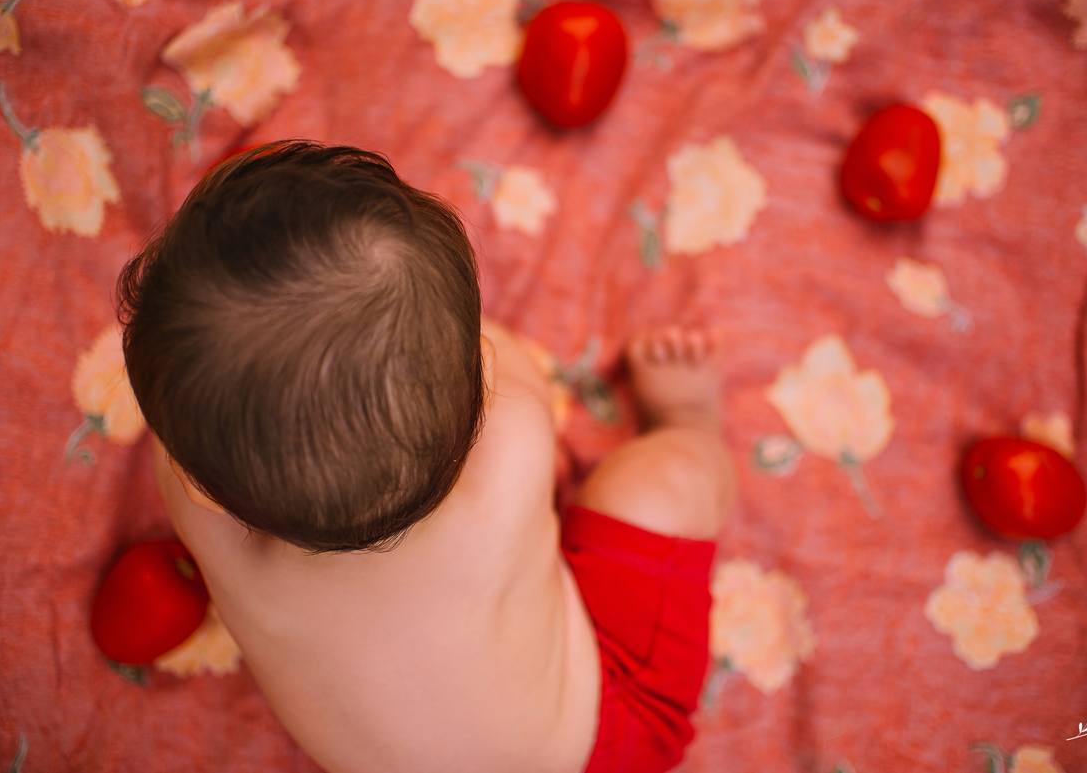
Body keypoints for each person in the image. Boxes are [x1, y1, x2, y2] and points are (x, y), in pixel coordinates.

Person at [118, 141, 736, 773]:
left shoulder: (198, 514)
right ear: (481, 377)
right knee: (665, 480)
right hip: (603, 739)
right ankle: (689, 423)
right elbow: (481, 359)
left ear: (200, 485)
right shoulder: (513, 445)